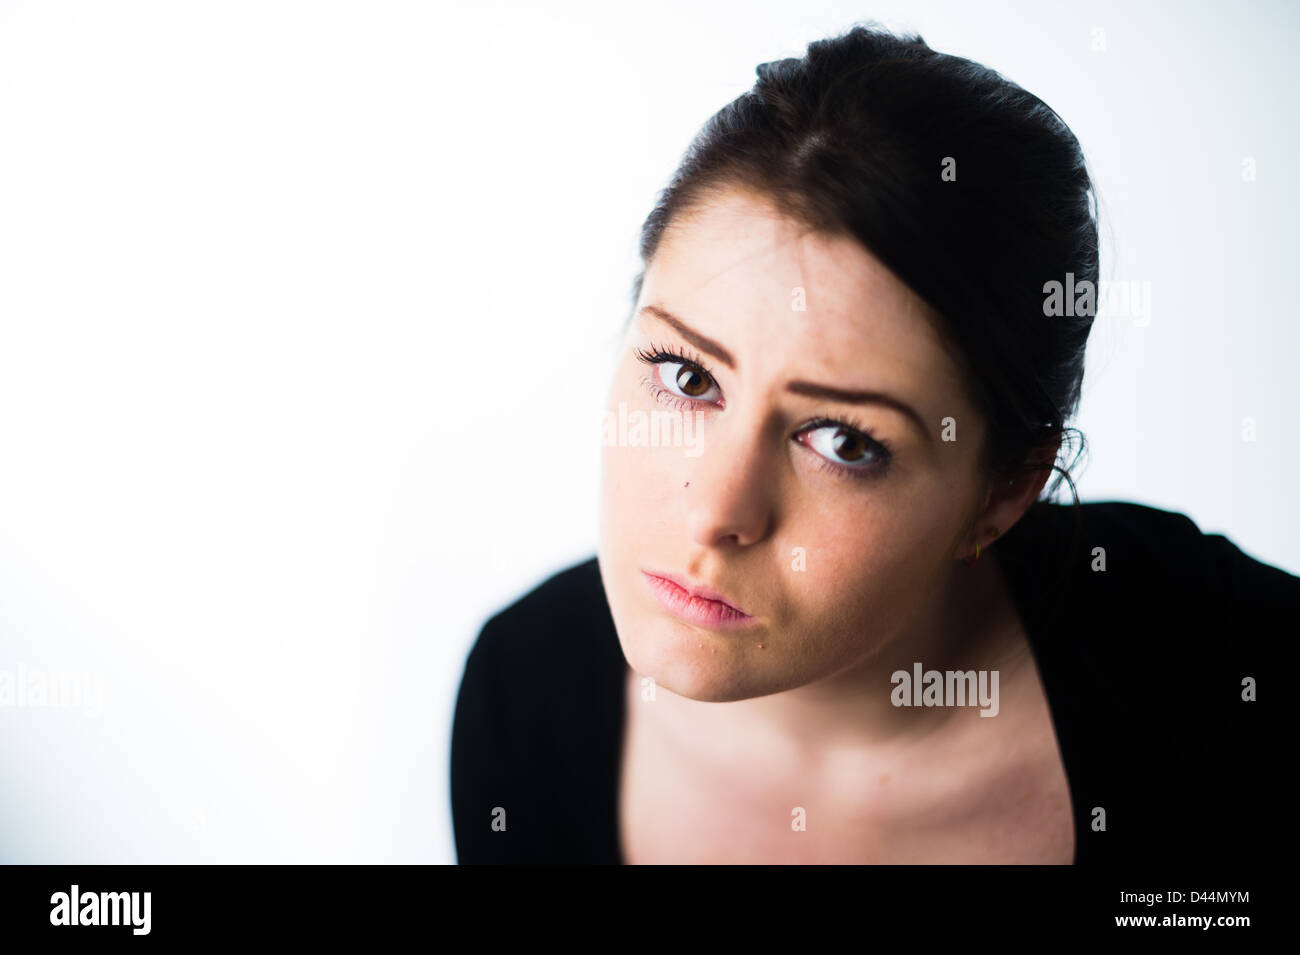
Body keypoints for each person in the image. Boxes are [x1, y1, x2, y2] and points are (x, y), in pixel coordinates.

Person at [450, 22, 1292, 864]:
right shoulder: (524, 699)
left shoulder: (1231, 687)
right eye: (687, 376)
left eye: (843, 441)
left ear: (1001, 494)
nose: (714, 512)